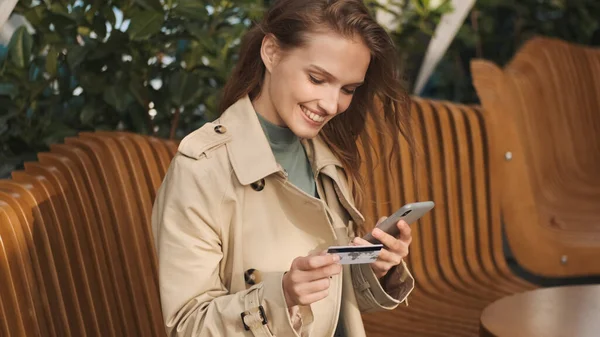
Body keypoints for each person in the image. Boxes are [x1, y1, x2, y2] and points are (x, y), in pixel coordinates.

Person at [151, 0, 416, 336]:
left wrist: (376, 267)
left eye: (348, 89)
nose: (332, 104)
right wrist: (282, 296)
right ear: (272, 52)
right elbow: (187, 325)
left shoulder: (325, 153)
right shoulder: (202, 168)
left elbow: (330, 303)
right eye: (318, 78)